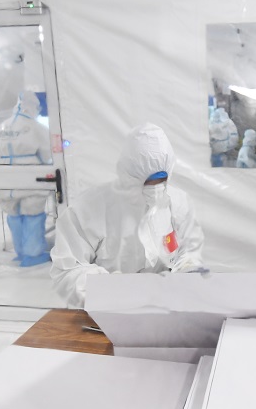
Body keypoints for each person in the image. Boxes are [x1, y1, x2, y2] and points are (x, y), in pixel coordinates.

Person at [50, 123, 205, 308]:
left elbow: (187, 250)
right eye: (148, 182)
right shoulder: (89, 209)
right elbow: (66, 272)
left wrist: (186, 272)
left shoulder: (177, 202)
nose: (156, 189)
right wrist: (118, 288)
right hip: (108, 310)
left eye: (162, 181)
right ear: (129, 175)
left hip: (164, 307)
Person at [0, 90, 54, 267]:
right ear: (34, 107)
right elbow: (47, 152)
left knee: (14, 215)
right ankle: (33, 254)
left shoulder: (1, 127)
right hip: (29, 175)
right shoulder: (35, 127)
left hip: (5, 176)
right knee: (33, 215)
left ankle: (20, 252)